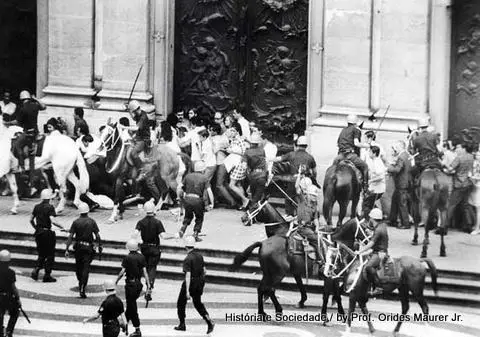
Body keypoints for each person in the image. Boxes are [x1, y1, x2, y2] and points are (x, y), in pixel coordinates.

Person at [174, 236, 214, 334]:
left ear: (185, 247)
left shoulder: (188, 259)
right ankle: (209, 321)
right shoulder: (200, 256)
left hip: (190, 283)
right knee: (198, 303)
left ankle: (182, 324)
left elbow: (188, 275)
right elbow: (205, 271)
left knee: (180, 303)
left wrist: (187, 291)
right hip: (199, 282)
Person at [270, 135, 317, 216]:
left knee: (288, 198)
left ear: (297, 145)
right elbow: (314, 172)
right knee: (304, 200)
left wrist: (269, 159)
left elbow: (279, 159)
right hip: (305, 182)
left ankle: (289, 215)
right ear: (306, 146)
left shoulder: (291, 154)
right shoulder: (310, 157)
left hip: (293, 180)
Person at [65, 202, 102, 298]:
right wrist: (99, 245)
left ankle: (80, 281)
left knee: (78, 266)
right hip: (88, 248)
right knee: (86, 268)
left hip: (78, 247)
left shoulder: (76, 222)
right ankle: (82, 287)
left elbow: (70, 236)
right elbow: (97, 235)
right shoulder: (92, 222)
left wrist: (66, 248)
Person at [115, 239, 151, 337]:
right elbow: (145, 272)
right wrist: (148, 285)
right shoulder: (142, 257)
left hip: (130, 284)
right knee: (131, 305)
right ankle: (124, 323)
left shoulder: (127, 258)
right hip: (138, 284)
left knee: (132, 307)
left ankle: (137, 328)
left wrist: (116, 281)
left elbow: (122, 272)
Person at [134, 200, 173, 289]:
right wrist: (174, 236)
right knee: (152, 267)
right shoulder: (157, 222)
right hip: (154, 248)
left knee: (145, 266)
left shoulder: (140, 222)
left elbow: (135, 234)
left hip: (144, 247)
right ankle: (150, 283)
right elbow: (163, 236)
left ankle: (146, 282)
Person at [13, 90, 46, 189]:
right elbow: (44, 107)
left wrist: (7, 123)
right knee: (32, 160)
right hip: (35, 132)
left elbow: (17, 122)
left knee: (17, 145)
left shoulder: (23, 109)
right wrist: (36, 99)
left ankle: (22, 166)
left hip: (27, 133)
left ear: (22, 99)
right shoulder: (35, 105)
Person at [30, 189, 64, 282]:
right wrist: (62, 226)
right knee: (50, 254)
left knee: (41, 253)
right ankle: (47, 275)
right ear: (49, 198)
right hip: (47, 233)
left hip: (38, 233)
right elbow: (53, 220)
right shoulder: (50, 207)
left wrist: (36, 228)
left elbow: (31, 220)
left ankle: (36, 269)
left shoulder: (36, 206)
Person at [177, 161, 214, 242]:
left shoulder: (188, 176)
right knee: (199, 217)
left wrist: (179, 197)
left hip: (187, 199)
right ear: (203, 170)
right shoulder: (204, 178)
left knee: (188, 216)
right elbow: (209, 191)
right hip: (198, 200)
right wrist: (212, 203)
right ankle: (195, 234)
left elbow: (179, 187)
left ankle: (183, 229)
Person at [354, 208, 388, 296]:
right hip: (376, 251)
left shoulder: (378, 230)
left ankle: (378, 287)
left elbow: (371, 244)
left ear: (372, 219)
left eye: (370, 218)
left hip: (379, 253)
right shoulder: (382, 226)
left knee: (368, 267)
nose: (369, 220)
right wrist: (371, 234)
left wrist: (360, 251)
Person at [332, 114, 370, 190]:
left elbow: (337, 143)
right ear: (356, 122)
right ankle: (365, 187)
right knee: (365, 166)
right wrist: (367, 145)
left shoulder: (343, 130)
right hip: (350, 155)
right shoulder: (356, 130)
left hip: (339, 156)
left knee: (332, 169)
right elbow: (356, 143)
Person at [445, 141, 474, 232]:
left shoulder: (459, 158)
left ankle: (444, 227)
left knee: (451, 205)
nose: (456, 149)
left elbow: (450, 169)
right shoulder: (471, 157)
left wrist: (443, 165)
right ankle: (468, 226)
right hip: (468, 183)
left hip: (458, 184)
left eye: (458, 147)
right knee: (465, 205)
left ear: (463, 148)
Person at [295, 168, 322, 261]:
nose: (314, 198)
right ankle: (320, 260)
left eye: (315, 196)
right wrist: (299, 175)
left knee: (320, 237)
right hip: (303, 228)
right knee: (317, 241)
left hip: (311, 228)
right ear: (308, 195)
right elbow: (297, 187)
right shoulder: (302, 200)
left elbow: (315, 219)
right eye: (313, 195)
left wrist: (318, 228)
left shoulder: (315, 205)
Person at [120, 100, 150, 175]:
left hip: (144, 139)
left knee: (133, 153)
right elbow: (134, 118)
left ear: (135, 110)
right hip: (138, 137)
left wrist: (125, 127)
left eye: (133, 111)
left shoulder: (143, 117)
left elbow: (136, 128)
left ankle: (141, 169)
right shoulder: (140, 113)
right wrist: (128, 110)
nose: (133, 113)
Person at [387, 141, 412, 229]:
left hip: (401, 183)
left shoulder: (401, 157)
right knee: (395, 200)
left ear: (401, 147)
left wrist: (389, 167)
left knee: (402, 203)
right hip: (406, 182)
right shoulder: (407, 155)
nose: (395, 149)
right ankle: (392, 220)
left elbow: (397, 169)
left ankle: (405, 223)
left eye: (397, 147)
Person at [211, 123, 236, 208]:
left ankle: (232, 202)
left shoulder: (221, 139)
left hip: (221, 163)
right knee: (223, 183)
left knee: (219, 184)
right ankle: (234, 200)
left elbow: (215, 150)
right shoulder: (222, 138)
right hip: (223, 162)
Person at [244, 132, 268, 213]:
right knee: (258, 196)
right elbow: (265, 163)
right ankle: (253, 213)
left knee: (254, 195)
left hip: (253, 176)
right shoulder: (262, 151)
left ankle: (252, 213)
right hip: (262, 175)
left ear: (250, 142)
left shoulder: (247, 152)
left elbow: (244, 166)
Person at [362, 146, 386, 220]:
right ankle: (378, 217)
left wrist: (371, 181)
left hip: (377, 189)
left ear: (374, 153)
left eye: (370, 152)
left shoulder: (377, 162)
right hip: (375, 188)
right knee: (370, 203)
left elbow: (381, 176)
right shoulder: (375, 161)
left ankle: (367, 220)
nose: (368, 153)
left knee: (366, 205)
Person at [0, 250, 21, 337]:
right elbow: (13, 287)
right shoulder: (11, 273)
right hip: (7, 298)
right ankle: (9, 331)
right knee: (15, 312)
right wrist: (18, 298)